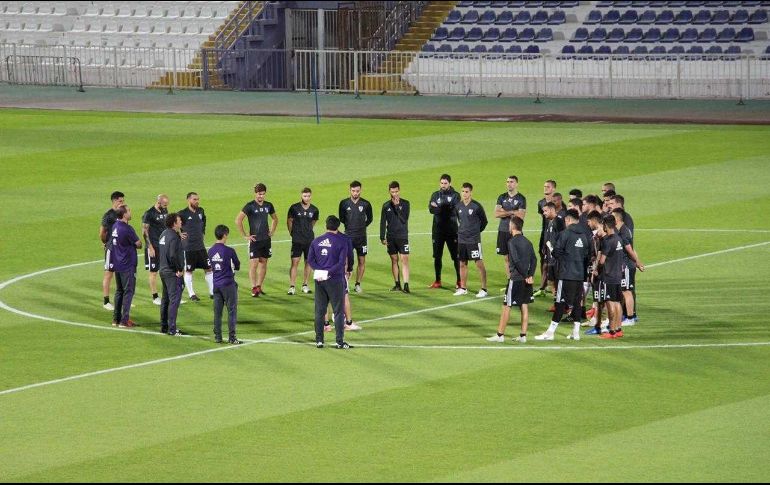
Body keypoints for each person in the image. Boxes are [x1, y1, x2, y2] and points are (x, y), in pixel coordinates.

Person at [535, 209, 591, 341]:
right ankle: (576, 332)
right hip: (579, 275)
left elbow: (556, 253)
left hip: (566, 274)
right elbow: (587, 256)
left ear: (568, 220)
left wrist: (560, 255)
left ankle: (550, 332)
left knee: (560, 302)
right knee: (577, 303)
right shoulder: (585, 235)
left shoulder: (565, 234)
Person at [487, 217, 535, 344]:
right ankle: (523, 336)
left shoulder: (512, 242)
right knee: (524, 305)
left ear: (513, 226)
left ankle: (500, 335)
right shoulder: (528, 242)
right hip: (526, 280)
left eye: (509, 225)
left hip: (516, 279)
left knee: (506, 306)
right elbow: (534, 260)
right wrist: (530, 275)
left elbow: (516, 260)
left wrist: (525, 275)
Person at [308, 216, 354, 349]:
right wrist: (328, 272)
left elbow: (310, 260)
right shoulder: (341, 242)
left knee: (319, 311)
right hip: (335, 280)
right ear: (338, 227)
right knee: (339, 311)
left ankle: (319, 341)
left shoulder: (316, 241)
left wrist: (320, 271)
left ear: (326, 226)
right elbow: (341, 264)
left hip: (320, 280)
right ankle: (339, 342)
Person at [236, 183, 278, 297]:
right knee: (254, 264)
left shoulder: (269, 205)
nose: (261, 196)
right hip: (254, 240)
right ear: (255, 193)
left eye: (263, 194)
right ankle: (253, 287)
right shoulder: (249, 206)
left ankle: (259, 286)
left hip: (266, 240)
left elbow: (275, 219)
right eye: (260, 194)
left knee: (264, 263)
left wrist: (272, 231)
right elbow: (238, 220)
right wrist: (245, 236)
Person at [208, 225, 242, 345]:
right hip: (228, 284)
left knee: (217, 312)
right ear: (225, 235)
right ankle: (232, 338)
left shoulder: (210, 250)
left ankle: (218, 336)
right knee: (232, 310)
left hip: (216, 285)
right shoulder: (229, 251)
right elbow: (237, 265)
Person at [109, 205, 142, 328]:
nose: (130, 212)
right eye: (129, 211)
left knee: (119, 291)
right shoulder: (127, 229)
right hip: (128, 265)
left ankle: (115, 319)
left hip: (117, 264)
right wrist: (136, 244)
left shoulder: (115, 226)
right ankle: (124, 320)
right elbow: (138, 244)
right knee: (129, 292)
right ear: (124, 214)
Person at [454, 182, 488, 298]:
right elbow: (460, 220)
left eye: (466, 192)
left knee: (479, 263)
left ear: (471, 192)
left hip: (473, 240)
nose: (464, 194)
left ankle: (483, 289)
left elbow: (484, 222)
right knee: (462, 263)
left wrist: (475, 232)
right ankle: (463, 288)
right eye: (463, 191)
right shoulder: (458, 206)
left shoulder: (476, 206)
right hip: (462, 239)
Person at [339, 181, 373, 294]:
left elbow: (370, 219)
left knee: (361, 260)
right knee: (346, 262)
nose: (355, 193)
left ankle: (358, 284)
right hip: (348, 237)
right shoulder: (344, 203)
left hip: (362, 237)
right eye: (353, 191)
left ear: (361, 190)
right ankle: (345, 283)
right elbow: (342, 218)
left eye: (357, 191)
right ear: (350, 190)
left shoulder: (366, 204)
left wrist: (362, 226)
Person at [178, 192, 213, 302]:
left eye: (198, 199)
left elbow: (204, 221)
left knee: (208, 268)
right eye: (194, 199)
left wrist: (202, 232)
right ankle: (191, 294)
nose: (197, 201)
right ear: (188, 200)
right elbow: (171, 224)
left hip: (200, 246)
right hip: (188, 247)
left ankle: (212, 292)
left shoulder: (200, 211)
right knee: (189, 271)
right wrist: (179, 234)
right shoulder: (182, 213)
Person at [612, 208, 644, 326]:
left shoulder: (624, 231)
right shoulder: (621, 230)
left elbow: (629, 249)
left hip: (626, 265)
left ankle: (630, 318)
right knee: (623, 291)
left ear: (617, 218)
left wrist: (637, 262)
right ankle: (622, 316)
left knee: (626, 291)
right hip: (623, 264)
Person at [428, 174, 460, 289]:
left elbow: (454, 210)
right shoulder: (435, 194)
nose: (443, 185)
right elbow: (431, 209)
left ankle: (460, 281)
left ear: (450, 183)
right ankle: (438, 281)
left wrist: (439, 207)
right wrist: (444, 207)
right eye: (441, 183)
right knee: (437, 256)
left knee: (456, 257)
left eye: (445, 183)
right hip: (437, 231)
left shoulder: (456, 195)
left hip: (452, 231)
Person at [595, 215, 625, 339]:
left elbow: (602, 261)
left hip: (609, 276)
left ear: (606, 226)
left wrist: (596, 268)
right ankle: (618, 329)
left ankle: (611, 331)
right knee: (617, 302)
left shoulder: (608, 241)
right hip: (618, 275)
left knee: (610, 303)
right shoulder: (619, 239)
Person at [286, 188, 318, 295]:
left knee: (308, 263)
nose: (307, 198)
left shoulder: (314, 210)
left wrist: (307, 231)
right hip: (297, 240)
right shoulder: (294, 208)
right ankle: (292, 286)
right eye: (305, 196)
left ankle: (305, 285)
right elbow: (289, 221)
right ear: (301, 196)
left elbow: (313, 222)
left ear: (311, 196)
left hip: (309, 240)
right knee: (294, 262)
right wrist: (292, 233)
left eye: (308, 196)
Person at [380, 181, 411, 293]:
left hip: (402, 236)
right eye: (393, 192)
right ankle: (397, 284)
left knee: (404, 260)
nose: (395, 194)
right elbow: (383, 222)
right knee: (394, 260)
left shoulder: (406, 204)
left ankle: (406, 284)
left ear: (399, 190)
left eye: (396, 191)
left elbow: (404, 219)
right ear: (389, 191)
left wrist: (398, 207)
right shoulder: (386, 206)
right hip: (391, 237)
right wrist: (381, 236)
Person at [494, 175, 527, 279]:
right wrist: (513, 212)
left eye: (512, 182)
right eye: (507, 182)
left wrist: (505, 211)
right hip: (503, 230)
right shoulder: (502, 197)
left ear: (516, 184)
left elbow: (521, 215)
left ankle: (520, 278)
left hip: (516, 231)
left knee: (517, 256)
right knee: (506, 257)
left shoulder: (521, 198)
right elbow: (496, 214)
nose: (509, 184)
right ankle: (510, 280)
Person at [159, 212, 186, 336]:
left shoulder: (163, 234)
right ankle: (172, 328)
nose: (181, 222)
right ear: (174, 223)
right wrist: (179, 269)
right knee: (174, 301)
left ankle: (164, 326)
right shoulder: (174, 237)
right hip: (171, 272)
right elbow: (172, 255)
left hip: (163, 270)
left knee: (165, 300)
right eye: (179, 220)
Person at [99, 191, 125, 310]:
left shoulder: (122, 213)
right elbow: (102, 232)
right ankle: (106, 301)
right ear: (114, 201)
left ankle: (122, 300)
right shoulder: (108, 215)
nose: (122, 202)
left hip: (121, 249)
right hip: (112, 248)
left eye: (123, 200)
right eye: (120, 201)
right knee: (109, 274)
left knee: (121, 274)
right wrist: (106, 243)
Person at [141, 194, 169, 305]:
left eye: (167, 205)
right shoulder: (149, 213)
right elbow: (144, 231)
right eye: (164, 204)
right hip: (153, 246)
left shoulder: (164, 210)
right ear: (158, 202)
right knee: (153, 272)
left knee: (166, 270)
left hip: (163, 245)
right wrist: (150, 247)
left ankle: (168, 295)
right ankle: (155, 297)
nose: (166, 206)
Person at [537, 202, 565, 299]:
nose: (544, 213)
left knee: (557, 278)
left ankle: (560, 299)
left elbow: (562, 238)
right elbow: (548, 237)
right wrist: (545, 247)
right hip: (550, 255)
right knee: (551, 278)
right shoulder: (550, 222)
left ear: (552, 210)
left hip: (556, 256)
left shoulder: (559, 221)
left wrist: (557, 251)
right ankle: (556, 298)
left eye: (545, 211)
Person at [535, 180, 556, 297]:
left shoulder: (557, 203)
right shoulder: (541, 203)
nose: (545, 188)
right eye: (544, 186)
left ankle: (552, 283)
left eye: (548, 187)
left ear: (553, 189)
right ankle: (543, 286)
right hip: (545, 233)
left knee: (553, 260)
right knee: (543, 257)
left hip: (554, 235)